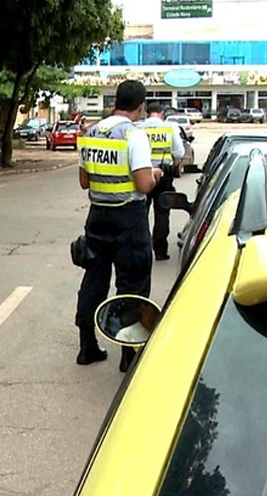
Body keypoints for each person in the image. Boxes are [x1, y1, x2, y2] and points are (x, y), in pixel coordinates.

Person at [74, 79, 162, 373]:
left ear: (115, 101)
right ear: (141, 105)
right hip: (129, 217)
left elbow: (84, 181)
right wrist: (156, 174)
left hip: (97, 216)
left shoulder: (91, 133)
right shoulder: (134, 136)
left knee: (94, 278)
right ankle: (129, 354)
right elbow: (143, 184)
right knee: (132, 283)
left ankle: (87, 347)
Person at [135, 103, 185, 261]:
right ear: (161, 114)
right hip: (164, 175)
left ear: (147, 113)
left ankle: (140, 248)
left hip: (143, 174)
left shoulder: (139, 129)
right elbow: (179, 152)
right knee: (162, 213)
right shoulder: (170, 128)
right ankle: (160, 250)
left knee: (141, 212)